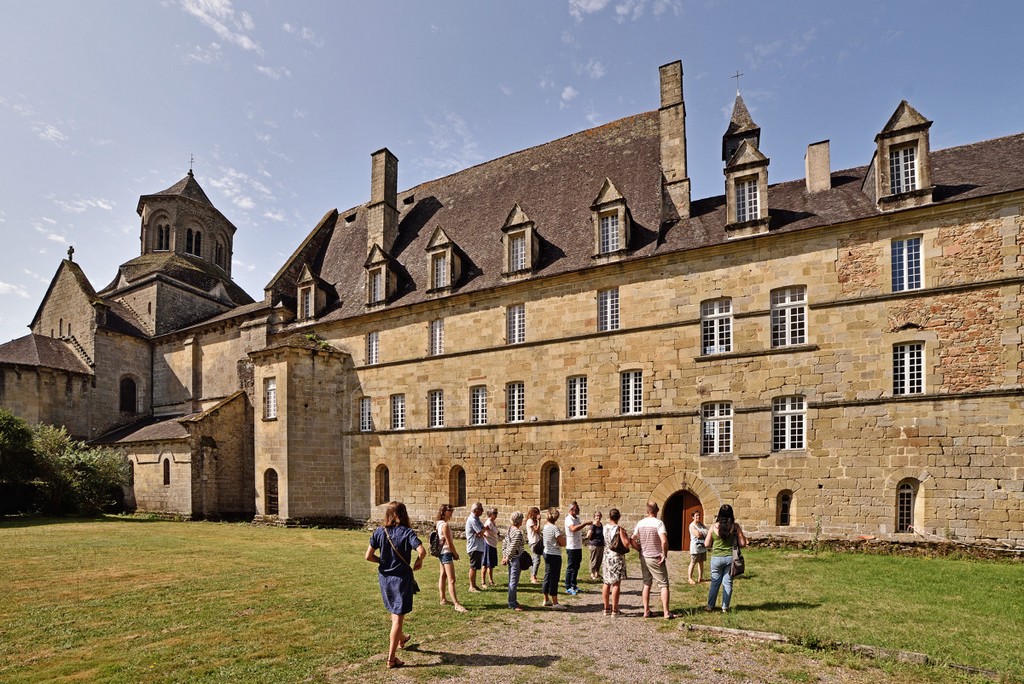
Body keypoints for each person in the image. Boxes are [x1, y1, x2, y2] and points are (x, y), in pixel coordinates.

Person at [365, 501, 427, 670]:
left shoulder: (379, 532)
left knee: (395, 613)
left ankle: (402, 638)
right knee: (398, 617)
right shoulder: (407, 533)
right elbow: (422, 551)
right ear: (402, 514)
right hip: (401, 579)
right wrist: (419, 561)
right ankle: (391, 659)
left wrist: (383, 561)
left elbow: (368, 556)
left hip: (385, 579)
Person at [631, 500, 676, 619]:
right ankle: (666, 612)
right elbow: (664, 541)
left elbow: (632, 539)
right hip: (655, 557)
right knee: (663, 584)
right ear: (657, 510)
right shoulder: (659, 523)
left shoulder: (640, 523)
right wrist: (664, 554)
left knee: (646, 583)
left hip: (644, 556)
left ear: (647, 511)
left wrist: (639, 550)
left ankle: (646, 610)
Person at [704, 504, 748, 613]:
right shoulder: (735, 526)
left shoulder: (713, 527)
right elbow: (743, 543)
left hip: (716, 558)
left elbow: (706, 544)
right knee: (728, 583)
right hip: (730, 558)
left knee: (715, 582)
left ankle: (710, 606)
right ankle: (725, 607)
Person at [435, 504, 468, 613]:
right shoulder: (444, 525)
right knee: (452, 579)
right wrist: (455, 554)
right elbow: (449, 543)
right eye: (450, 511)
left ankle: (443, 599)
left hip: (441, 553)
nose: (451, 513)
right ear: (444, 512)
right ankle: (456, 604)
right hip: (446, 553)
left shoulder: (438, 524)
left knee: (443, 575)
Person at [601, 507, 630, 616]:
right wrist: (626, 536)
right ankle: (615, 609)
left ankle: (606, 608)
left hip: (607, 555)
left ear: (609, 516)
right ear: (619, 517)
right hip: (616, 557)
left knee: (606, 582)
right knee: (616, 583)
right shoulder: (619, 529)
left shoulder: (604, 528)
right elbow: (626, 544)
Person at [563, 501, 591, 595]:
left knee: (576, 566)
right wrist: (585, 524)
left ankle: (573, 585)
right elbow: (573, 529)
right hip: (571, 546)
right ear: (571, 509)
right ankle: (568, 586)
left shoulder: (577, 518)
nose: (577, 510)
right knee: (571, 567)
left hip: (578, 546)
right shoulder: (568, 519)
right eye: (576, 508)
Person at [541, 507, 567, 608]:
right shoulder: (554, 528)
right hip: (554, 555)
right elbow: (563, 543)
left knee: (547, 576)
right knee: (554, 578)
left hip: (547, 552)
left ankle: (546, 599)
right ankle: (555, 602)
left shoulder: (546, 527)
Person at [501, 510, 527, 611]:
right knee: (513, 582)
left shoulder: (510, 529)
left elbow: (505, 543)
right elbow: (513, 546)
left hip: (511, 558)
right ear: (519, 520)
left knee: (511, 581)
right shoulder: (517, 532)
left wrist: (505, 556)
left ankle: (513, 600)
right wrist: (506, 557)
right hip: (515, 558)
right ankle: (512, 603)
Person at [465, 502, 486, 592]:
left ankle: (474, 585)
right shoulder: (473, 520)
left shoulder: (476, 519)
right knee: (473, 566)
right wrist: (483, 530)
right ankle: (471, 586)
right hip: (474, 546)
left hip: (478, 546)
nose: (482, 511)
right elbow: (481, 532)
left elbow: (482, 530)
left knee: (476, 566)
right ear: (475, 510)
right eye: (480, 509)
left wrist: (482, 530)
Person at [688, 510, 709, 584]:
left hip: (702, 546)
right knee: (693, 562)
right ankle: (690, 578)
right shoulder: (692, 525)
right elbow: (697, 535)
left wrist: (702, 533)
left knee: (701, 562)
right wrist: (703, 533)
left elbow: (707, 531)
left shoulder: (701, 524)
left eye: (698, 515)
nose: (698, 517)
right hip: (695, 547)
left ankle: (700, 577)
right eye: (696, 515)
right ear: (693, 517)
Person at [482, 507, 500, 587]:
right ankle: (483, 582)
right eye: (494, 513)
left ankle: (491, 581)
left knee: (491, 564)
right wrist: (484, 536)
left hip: (493, 544)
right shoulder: (488, 523)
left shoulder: (493, 522)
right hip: (488, 545)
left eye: (496, 513)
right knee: (486, 564)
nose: (496, 515)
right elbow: (482, 530)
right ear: (490, 514)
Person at [525, 506, 543, 584]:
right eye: (536, 512)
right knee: (537, 560)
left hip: (536, 541)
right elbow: (536, 530)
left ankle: (532, 575)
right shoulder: (530, 521)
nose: (538, 514)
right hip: (533, 542)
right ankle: (533, 577)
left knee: (534, 560)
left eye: (538, 512)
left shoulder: (533, 521)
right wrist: (539, 521)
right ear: (533, 513)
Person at [586, 510, 605, 580]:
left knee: (599, 559)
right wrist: (587, 540)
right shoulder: (593, 526)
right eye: (597, 516)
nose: (598, 517)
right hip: (594, 545)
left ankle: (597, 572)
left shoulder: (601, 524)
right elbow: (588, 535)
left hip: (601, 545)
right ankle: (592, 573)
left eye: (599, 516)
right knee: (593, 560)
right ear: (594, 517)